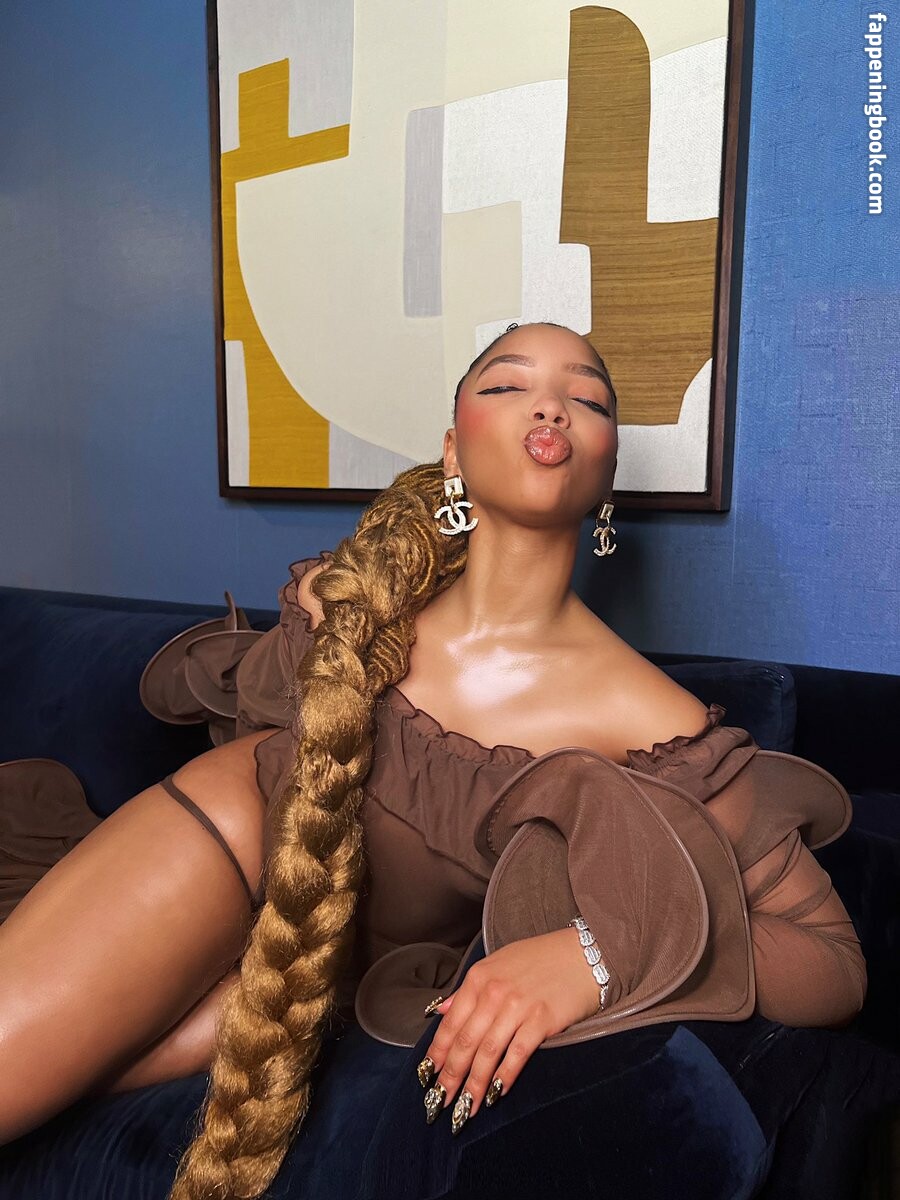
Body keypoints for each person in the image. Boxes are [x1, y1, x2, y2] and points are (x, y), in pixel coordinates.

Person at [0, 322, 869, 1200]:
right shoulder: (350, 602)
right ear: (454, 452)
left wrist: (594, 959)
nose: (550, 406)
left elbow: (833, 964)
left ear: (609, 472)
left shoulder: (658, 723)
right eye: (508, 385)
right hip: (226, 843)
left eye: (588, 398)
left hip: (321, 979)